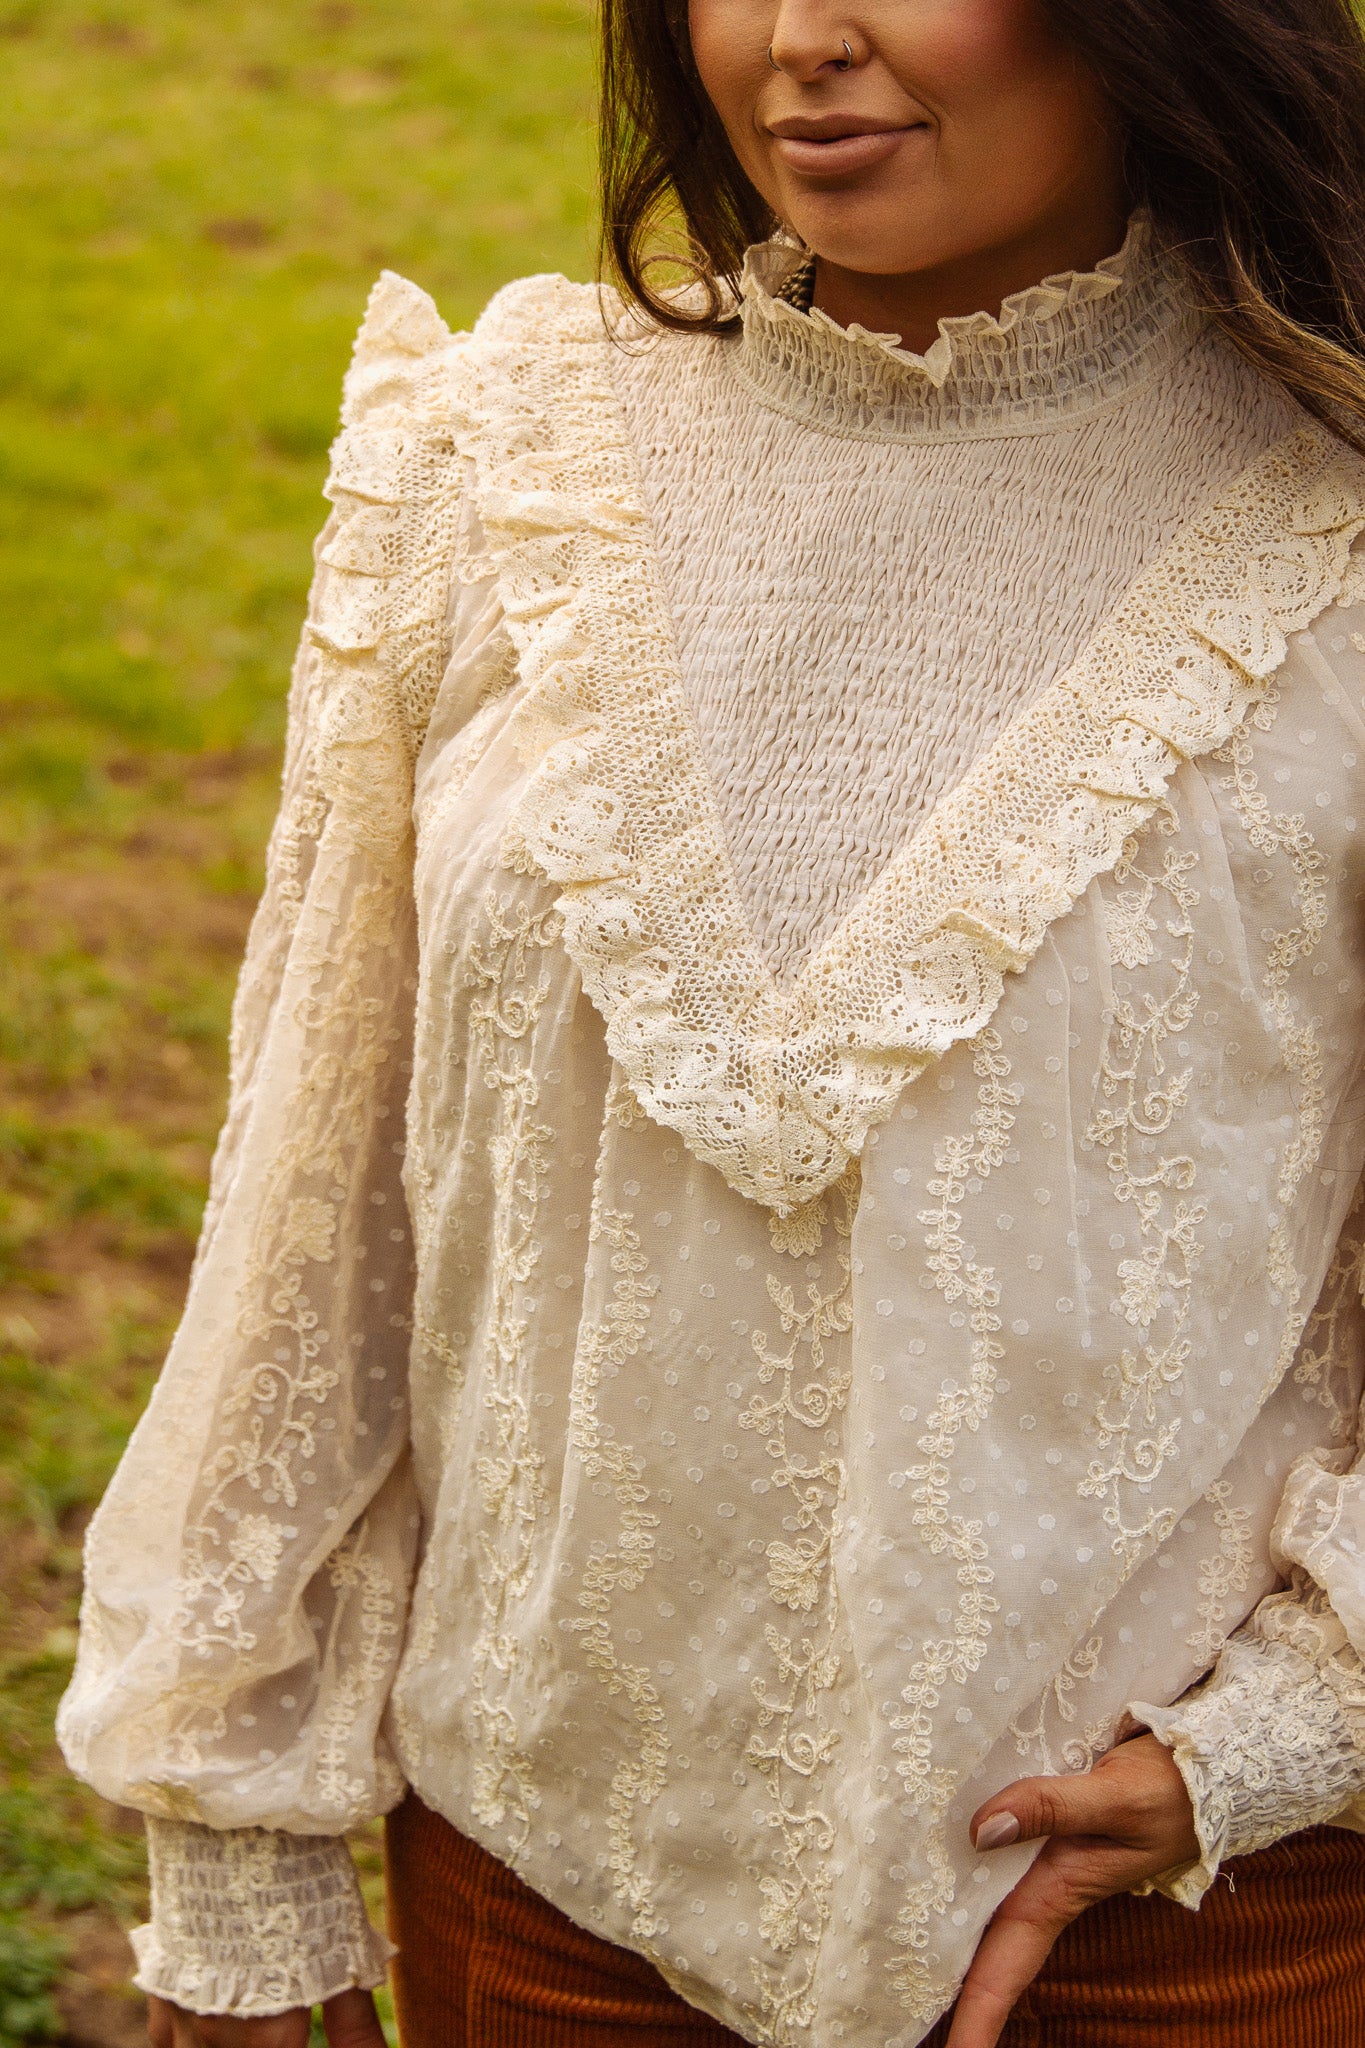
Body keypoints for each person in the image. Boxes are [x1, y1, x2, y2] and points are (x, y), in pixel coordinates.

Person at [55, 0, 1365, 2042]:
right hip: (543, 1892)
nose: (797, 38)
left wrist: (1277, 1738)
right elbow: (318, 1180)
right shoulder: (500, 459)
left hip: (1181, 1929)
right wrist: (233, 1833)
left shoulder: (1328, 512)